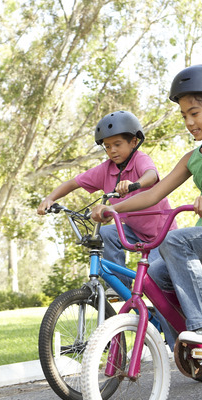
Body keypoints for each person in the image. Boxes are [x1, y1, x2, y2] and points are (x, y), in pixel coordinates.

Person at [92, 64, 202, 345]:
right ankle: (183, 345)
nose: (189, 122)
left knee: (173, 241)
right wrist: (114, 208)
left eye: (194, 113)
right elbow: (153, 194)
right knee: (153, 277)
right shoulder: (192, 157)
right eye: (184, 116)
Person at [37, 110, 176, 290]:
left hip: (163, 234)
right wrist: (50, 198)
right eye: (107, 146)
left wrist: (135, 184)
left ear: (134, 141)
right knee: (105, 233)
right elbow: (73, 183)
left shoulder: (140, 159)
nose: (112, 150)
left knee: (156, 282)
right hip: (134, 231)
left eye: (117, 144)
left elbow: (151, 175)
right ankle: (119, 286)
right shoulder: (105, 170)